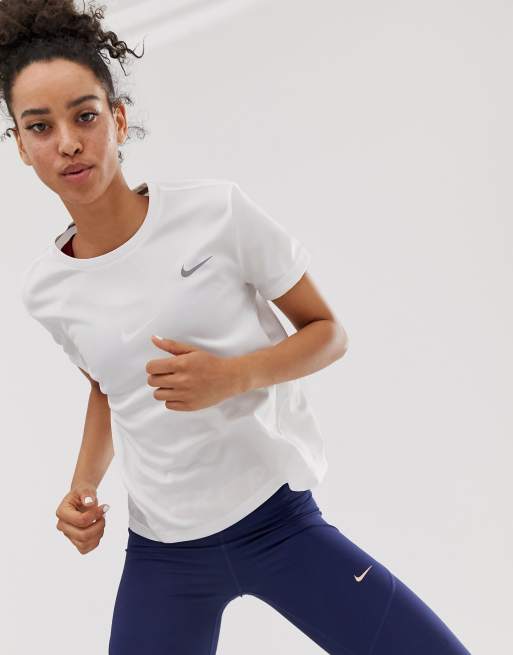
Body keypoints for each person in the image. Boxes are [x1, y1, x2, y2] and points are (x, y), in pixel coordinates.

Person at [3, 1, 472, 653]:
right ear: (21, 146)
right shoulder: (47, 289)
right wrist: (81, 487)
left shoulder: (215, 213)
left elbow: (327, 331)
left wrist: (233, 376)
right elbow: (109, 389)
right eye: (40, 126)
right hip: (164, 555)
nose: (68, 142)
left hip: (277, 521)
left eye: (85, 116)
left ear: (118, 119)